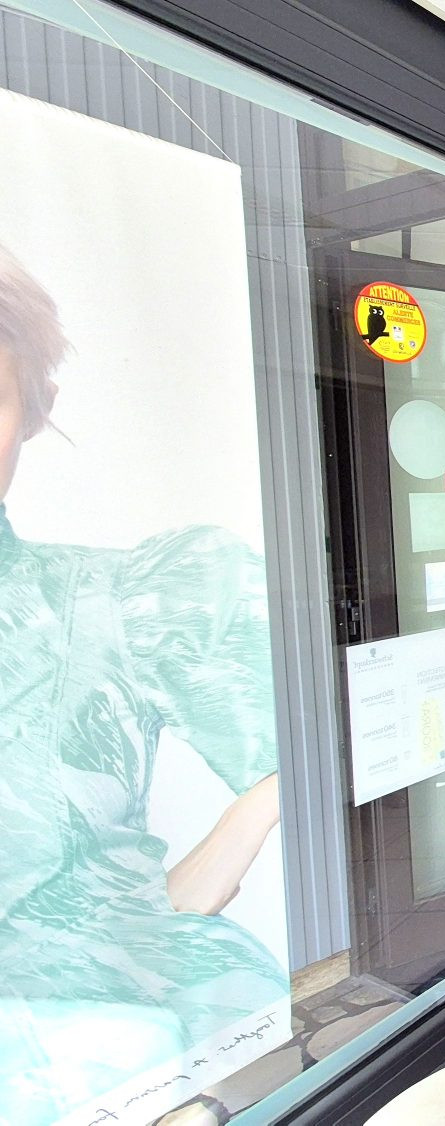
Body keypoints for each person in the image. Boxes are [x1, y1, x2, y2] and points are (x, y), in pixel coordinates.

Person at [0, 242, 288, 1122]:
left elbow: (325, 751)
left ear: (34, 411)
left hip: (126, 1054)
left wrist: (230, 839)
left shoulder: (118, 600)